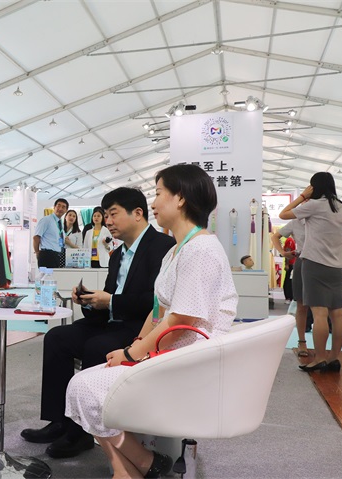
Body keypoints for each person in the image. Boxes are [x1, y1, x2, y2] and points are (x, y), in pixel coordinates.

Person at [64, 164, 237, 478]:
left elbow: (181, 318)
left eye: (158, 193)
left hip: (188, 362)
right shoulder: (178, 250)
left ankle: (137, 466)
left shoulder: (199, 249)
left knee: (85, 387)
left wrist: (133, 354)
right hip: (170, 355)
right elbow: (158, 310)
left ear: (180, 198)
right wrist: (134, 348)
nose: (154, 203)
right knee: (83, 386)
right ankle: (137, 467)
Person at [20, 187, 175, 459]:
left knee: (96, 346)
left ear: (138, 213)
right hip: (112, 322)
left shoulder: (162, 247)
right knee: (57, 337)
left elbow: (154, 302)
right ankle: (59, 421)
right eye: (105, 215)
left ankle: (81, 433)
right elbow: (108, 302)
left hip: (141, 328)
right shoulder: (117, 254)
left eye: (113, 214)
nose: (108, 221)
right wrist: (89, 301)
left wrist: (111, 301)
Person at [280, 172, 342, 373]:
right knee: (337, 313)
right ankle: (333, 358)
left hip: (314, 264)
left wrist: (303, 196)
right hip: (336, 266)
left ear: (314, 187)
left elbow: (283, 214)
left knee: (319, 313)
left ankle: (320, 358)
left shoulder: (314, 205)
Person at [272, 218, 310, 354]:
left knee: (315, 308)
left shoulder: (324, 218)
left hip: (315, 262)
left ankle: (307, 344)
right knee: (303, 304)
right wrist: (284, 254)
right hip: (304, 261)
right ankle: (303, 343)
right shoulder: (296, 222)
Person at [33, 198, 68, 268]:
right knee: (47, 275)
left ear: (66, 210)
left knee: (55, 275)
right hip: (47, 255)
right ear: (54, 207)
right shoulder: (46, 220)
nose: (60, 209)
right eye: (58, 206)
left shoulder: (60, 223)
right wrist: (37, 252)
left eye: (63, 207)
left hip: (57, 255)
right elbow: (36, 237)